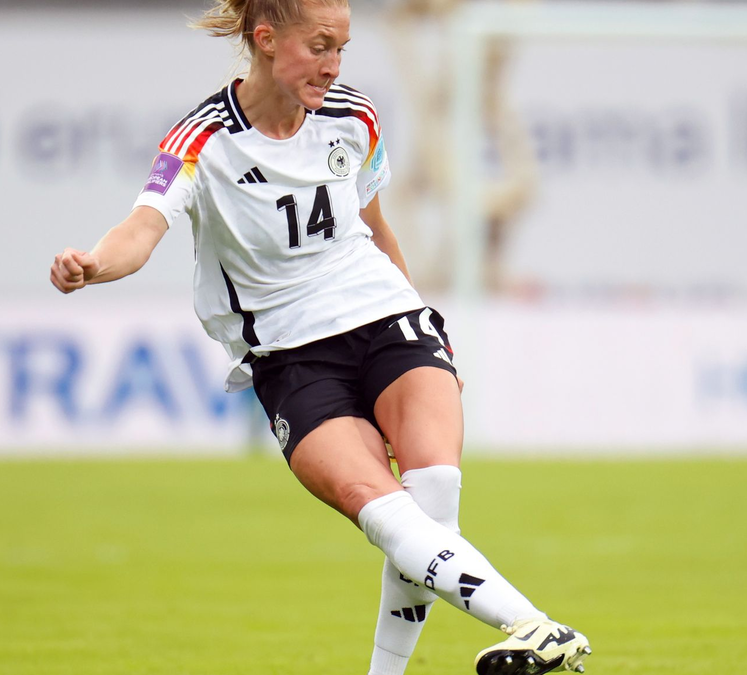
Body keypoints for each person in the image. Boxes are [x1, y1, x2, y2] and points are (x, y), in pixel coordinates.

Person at [46, 2, 592, 675]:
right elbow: (140, 228)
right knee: (384, 509)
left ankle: (513, 634)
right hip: (292, 356)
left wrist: (428, 328)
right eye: (321, 46)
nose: (334, 65)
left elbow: (377, 228)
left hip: (388, 319)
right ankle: (531, 623)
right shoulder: (202, 139)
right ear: (267, 40)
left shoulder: (354, 115)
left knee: (435, 495)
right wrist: (92, 266)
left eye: (343, 48)